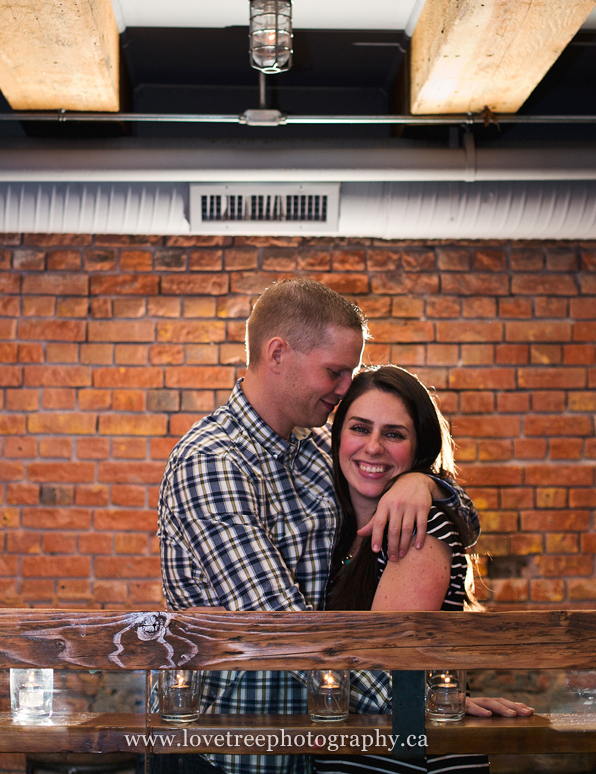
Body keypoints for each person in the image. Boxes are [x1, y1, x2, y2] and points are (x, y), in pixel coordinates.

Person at [158, 280, 481, 774]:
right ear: (278, 354)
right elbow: (279, 626)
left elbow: (458, 519)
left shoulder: (314, 450)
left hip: (314, 748)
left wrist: (423, 484)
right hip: (230, 752)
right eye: (335, 371)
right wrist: (423, 709)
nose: (345, 387)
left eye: (349, 372)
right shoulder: (211, 461)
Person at [314, 365, 533, 774]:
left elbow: (381, 664)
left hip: (409, 756)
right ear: (337, 436)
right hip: (362, 749)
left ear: (418, 450)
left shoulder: (421, 525)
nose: (373, 447)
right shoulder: (339, 528)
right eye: (360, 428)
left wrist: (436, 699)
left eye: (394, 434)